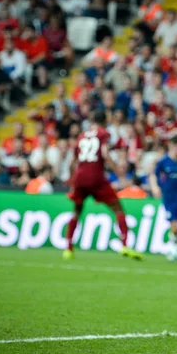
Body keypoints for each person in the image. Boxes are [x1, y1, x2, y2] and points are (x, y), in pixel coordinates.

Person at [64, 110, 143, 261]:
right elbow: (105, 154)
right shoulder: (103, 134)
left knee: (76, 211)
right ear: (105, 120)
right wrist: (120, 174)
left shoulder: (82, 135)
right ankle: (125, 245)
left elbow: (72, 161)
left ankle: (68, 249)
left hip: (80, 176)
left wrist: (71, 180)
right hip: (96, 176)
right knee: (118, 209)